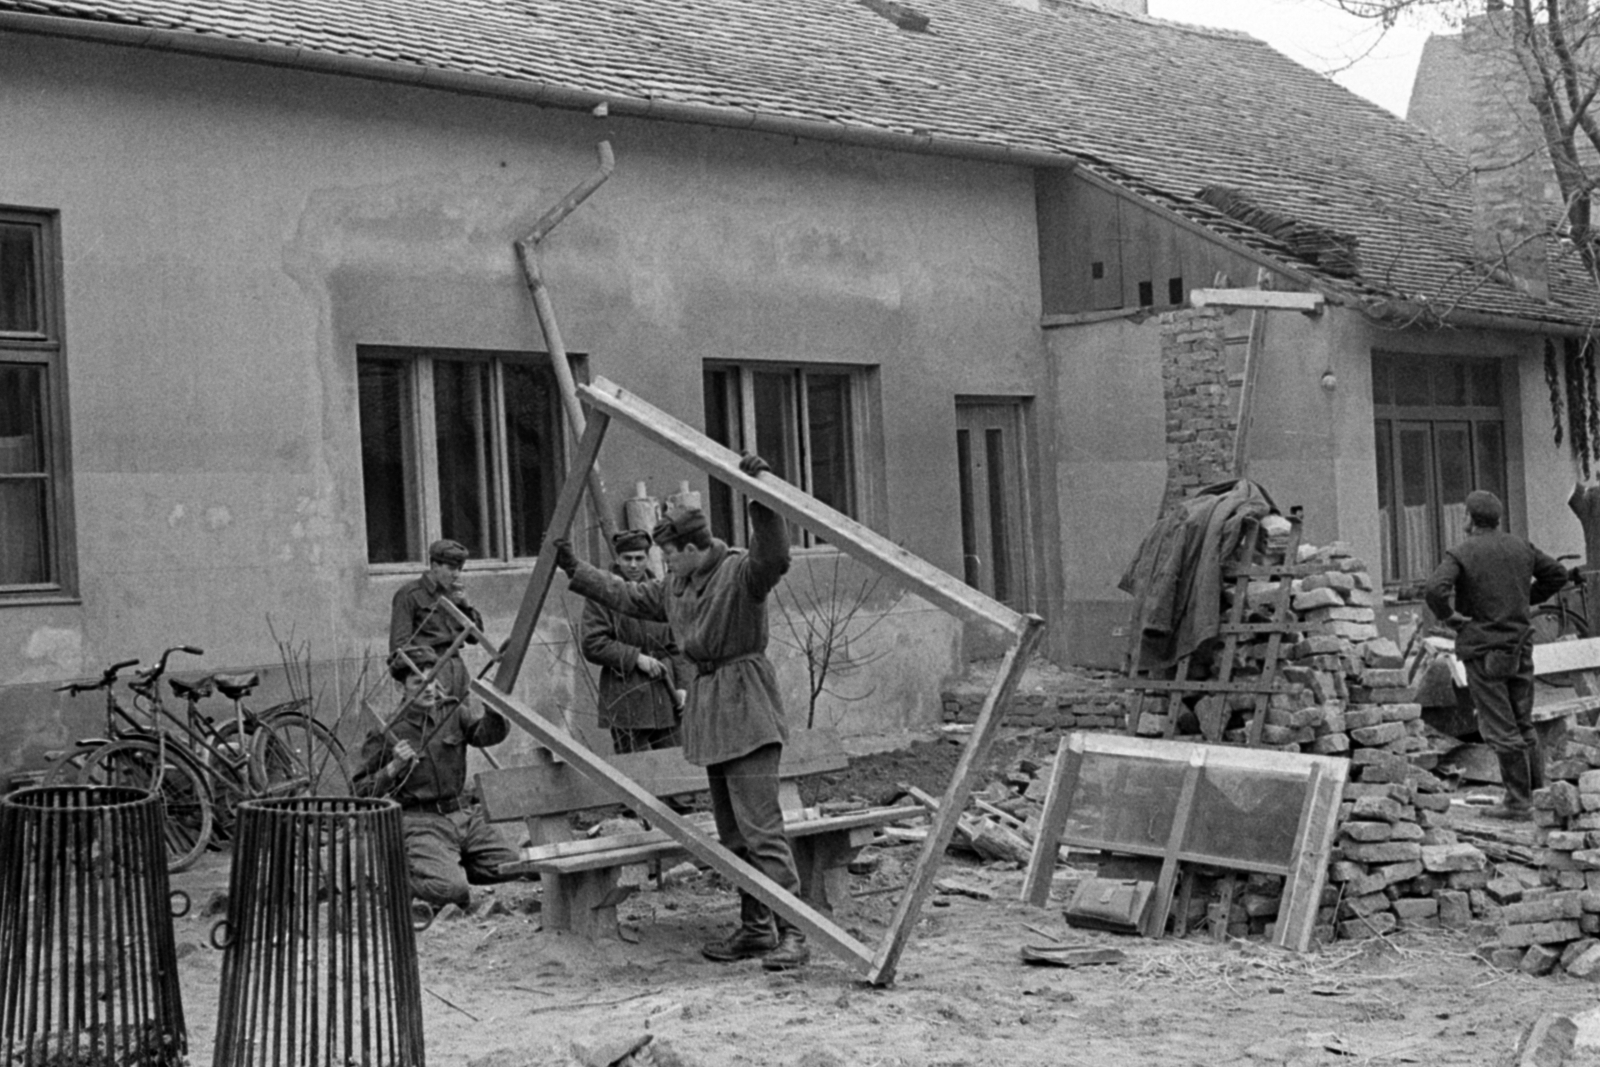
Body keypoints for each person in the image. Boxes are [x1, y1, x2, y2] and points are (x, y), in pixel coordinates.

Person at [550, 454, 810, 971]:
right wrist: (576, 570)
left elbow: (775, 558)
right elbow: (629, 595)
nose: (665, 566)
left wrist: (760, 498)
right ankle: (758, 929)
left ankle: (794, 932)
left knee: (762, 830)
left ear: (693, 548)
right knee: (733, 834)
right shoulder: (678, 584)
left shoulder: (740, 573)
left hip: (748, 706)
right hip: (712, 708)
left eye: (671, 555)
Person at [1425, 490, 1568, 819]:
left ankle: (1518, 803)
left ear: (1470, 519)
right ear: (1498, 519)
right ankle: (1536, 796)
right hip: (1520, 646)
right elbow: (1557, 574)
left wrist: (1450, 618)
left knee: (1500, 728)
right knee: (1523, 722)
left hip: (1484, 650)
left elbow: (1435, 589)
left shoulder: (1461, 552)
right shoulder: (1521, 546)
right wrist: (1524, 598)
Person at [353, 654, 520, 909]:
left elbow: (485, 735)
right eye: (418, 682)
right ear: (401, 687)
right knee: (451, 891)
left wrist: (493, 709)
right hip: (422, 824)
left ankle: (451, 865)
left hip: (464, 816)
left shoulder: (452, 712)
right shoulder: (386, 730)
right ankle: (398, 882)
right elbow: (359, 791)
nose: (429, 688)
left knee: (519, 865)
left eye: (432, 680)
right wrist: (393, 766)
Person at [581, 528, 688, 754]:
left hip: (665, 695)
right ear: (617, 559)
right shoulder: (602, 594)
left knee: (676, 767)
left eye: (639, 558)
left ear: (648, 558)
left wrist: (682, 688)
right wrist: (635, 657)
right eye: (627, 558)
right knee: (634, 771)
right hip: (626, 694)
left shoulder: (660, 592)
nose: (633, 565)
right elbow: (592, 643)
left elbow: (677, 647)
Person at [389, 538, 484, 700]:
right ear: (434, 566)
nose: (457, 574)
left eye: (460, 569)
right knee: (435, 721)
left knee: (461, 719)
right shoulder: (410, 595)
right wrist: (423, 677)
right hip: (429, 670)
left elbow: (475, 638)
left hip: (457, 668)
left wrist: (466, 606)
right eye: (451, 568)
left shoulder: (455, 594)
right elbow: (399, 648)